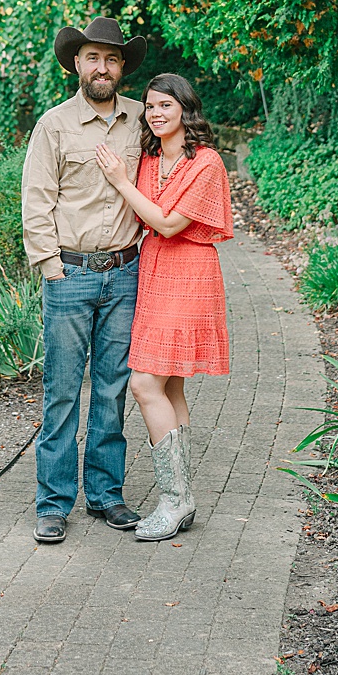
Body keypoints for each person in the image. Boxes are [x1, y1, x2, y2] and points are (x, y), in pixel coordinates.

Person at [21, 17, 148, 545]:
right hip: (69, 274)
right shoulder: (54, 125)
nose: (103, 67)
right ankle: (53, 503)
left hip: (124, 274)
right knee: (62, 394)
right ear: (77, 63)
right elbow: (36, 199)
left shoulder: (141, 119)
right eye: (93, 57)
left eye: (112, 59)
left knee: (112, 391)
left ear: (121, 68)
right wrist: (50, 266)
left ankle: (106, 495)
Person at [95, 72, 232, 542]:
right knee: (170, 386)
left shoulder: (206, 162)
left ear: (185, 110)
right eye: (150, 106)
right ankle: (183, 499)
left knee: (143, 383)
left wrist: (119, 181)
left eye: (165, 105)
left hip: (189, 273)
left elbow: (170, 224)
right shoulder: (151, 159)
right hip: (153, 272)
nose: (155, 113)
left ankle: (174, 500)